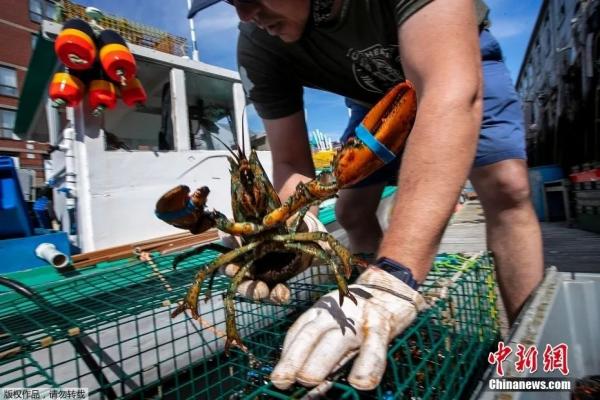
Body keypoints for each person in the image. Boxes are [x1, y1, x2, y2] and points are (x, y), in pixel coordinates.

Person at [189, 0, 544, 391]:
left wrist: (396, 275)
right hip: (373, 101)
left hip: (454, 62)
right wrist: (294, 221)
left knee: (507, 187)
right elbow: (290, 162)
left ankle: (535, 362)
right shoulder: (257, 44)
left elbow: (450, 95)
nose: (244, 13)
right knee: (353, 210)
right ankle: (373, 322)